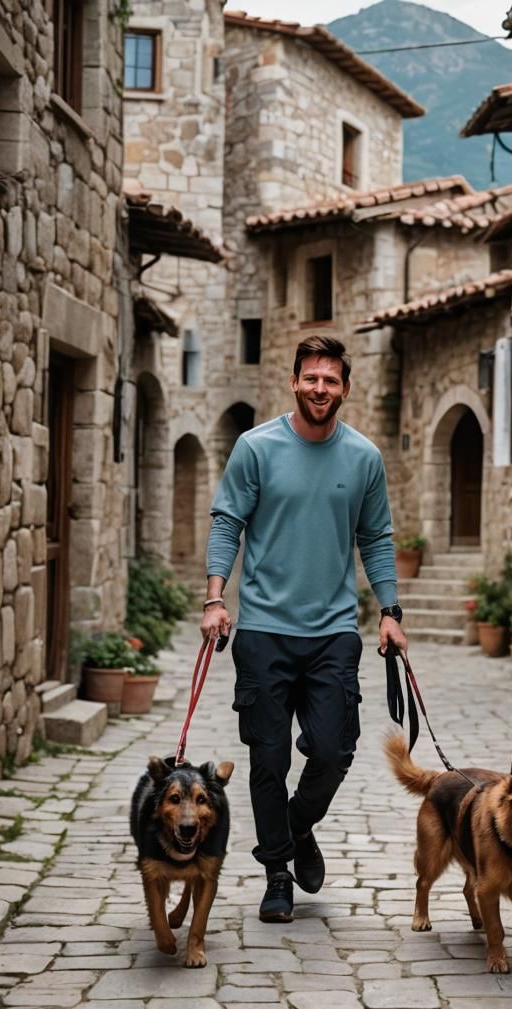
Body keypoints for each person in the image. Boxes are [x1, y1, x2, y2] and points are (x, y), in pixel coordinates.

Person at [201, 336, 408, 922]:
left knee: (334, 748)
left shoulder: (364, 457)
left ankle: (294, 827)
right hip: (264, 630)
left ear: (345, 388)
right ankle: (277, 875)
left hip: (334, 631)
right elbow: (227, 524)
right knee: (268, 759)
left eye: (332, 380)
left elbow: (376, 538)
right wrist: (216, 598)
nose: (321, 388)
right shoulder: (256, 447)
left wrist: (390, 612)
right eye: (311, 378)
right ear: (294, 381)